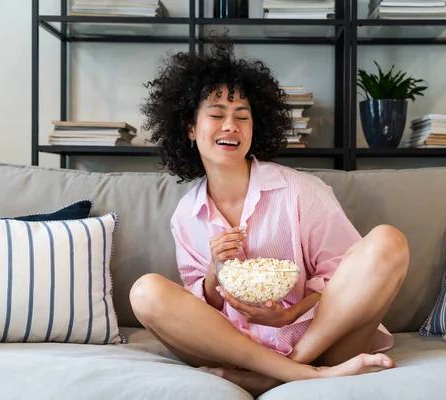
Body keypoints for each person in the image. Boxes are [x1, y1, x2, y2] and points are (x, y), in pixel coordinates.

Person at [129, 39, 409, 396]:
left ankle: (288, 371)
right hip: (236, 352)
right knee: (146, 291)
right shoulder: (186, 214)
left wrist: (289, 315)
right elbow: (200, 311)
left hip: (322, 342)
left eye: (242, 116)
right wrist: (215, 272)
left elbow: (344, 279)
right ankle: (292, 373)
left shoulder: (300, 191)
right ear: (189, 128)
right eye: (216, 115)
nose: (230, 126)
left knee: (389, 241)